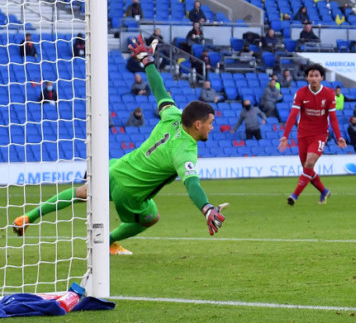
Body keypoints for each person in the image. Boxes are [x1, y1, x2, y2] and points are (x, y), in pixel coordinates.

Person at [12, 37, 225, 254]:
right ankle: (109, 241)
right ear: (197, 124)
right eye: (210, 123)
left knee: (81, 192)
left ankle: (28, 217)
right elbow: (192, 184)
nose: (212, 127)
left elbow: (159, 90)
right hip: (130, 192)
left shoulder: (173, 115)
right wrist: (206, 208)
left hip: (117, 168)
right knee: (152, 218)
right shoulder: (185, 151)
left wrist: (148, 61)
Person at [278, 64, 345, 205]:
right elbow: (293, 115)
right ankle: (324, 191)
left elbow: (333, 118)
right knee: (307, 168)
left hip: (320, 134)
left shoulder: (329, 94)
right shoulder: (301, 93)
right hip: (303, 134)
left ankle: (294, 195)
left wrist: (339, 136)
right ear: (307, 78)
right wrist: (285, 135)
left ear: (321, 77)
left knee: (309, 163)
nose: (314, 78)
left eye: (316, 76)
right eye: (311, 76)